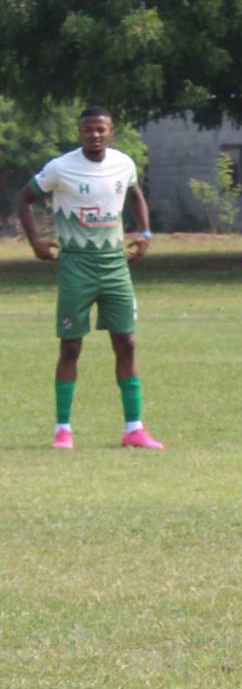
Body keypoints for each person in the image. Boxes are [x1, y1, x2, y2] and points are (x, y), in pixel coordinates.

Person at [15, 104, 164, 450]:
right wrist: (36, 241)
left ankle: (134, 429)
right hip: (76, 265)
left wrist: (145, 233)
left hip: (115, 264)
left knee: (126, 342)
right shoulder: (60, 168)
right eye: (88, 129)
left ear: (111, 131)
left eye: (101, 129)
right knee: (71, 346)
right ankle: (63, 430)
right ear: (79, 132)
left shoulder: (123, 163)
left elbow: (135, 193)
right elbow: (22, 199)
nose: (94, 135)